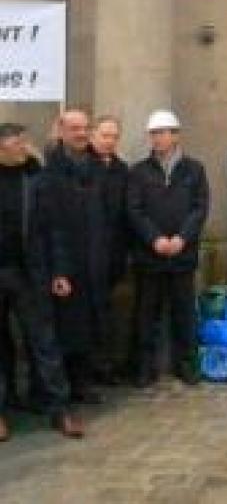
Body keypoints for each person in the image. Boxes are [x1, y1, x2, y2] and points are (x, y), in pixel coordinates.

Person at [0, 122, 84, 440]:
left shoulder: (36, 178)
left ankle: (60, 409)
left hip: (29, 273)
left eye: (25, 141)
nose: (24, 147)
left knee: (44, 342)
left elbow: (54, 230)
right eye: (18, 143)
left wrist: (60, 272)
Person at [128, 110, 208, 387]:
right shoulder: (139, 171)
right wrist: (154, 239)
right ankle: (143, 367)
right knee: (146, 313)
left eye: (163, 133)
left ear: (176, 135)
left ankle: (186, 364)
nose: (158, 138)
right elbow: (134, 210)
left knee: (184, 313)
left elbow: (200, 208)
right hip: (149, 256)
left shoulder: (194, 169)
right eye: (154, 134)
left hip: (182, 255)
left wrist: (182, 238)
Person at [40, 109, 110, 404]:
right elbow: (48, 224)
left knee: (90, 324)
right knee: (65, 327)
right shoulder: (50, 171)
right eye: (74, 128)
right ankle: (62, 386)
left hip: (95, 258)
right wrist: (58, 269)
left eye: (85, 128)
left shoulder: (98, 168)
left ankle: (83, 381)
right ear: (61, 131)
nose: (81, 134)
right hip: (66, 260)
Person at [90, 116, 131, 382]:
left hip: (114, 252)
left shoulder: (121, 169)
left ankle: (104, 366)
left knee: (107, 312)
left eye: (114, 137)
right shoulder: (83, 166)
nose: (110, 141)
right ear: (93, 135)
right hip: (87, 252)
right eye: (105, 135)